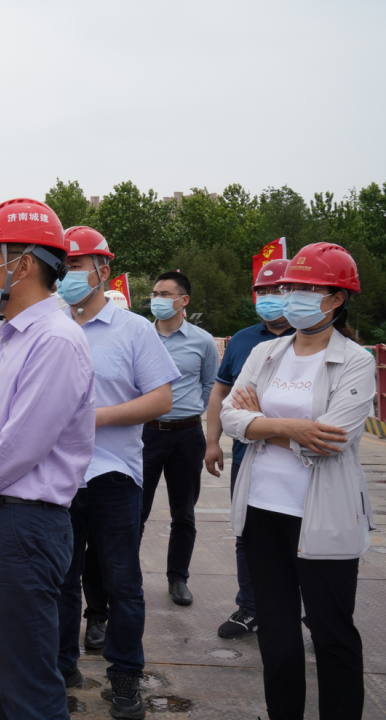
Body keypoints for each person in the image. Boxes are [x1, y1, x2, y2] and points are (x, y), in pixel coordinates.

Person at [0, 198, 95, 720]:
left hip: (27, 525)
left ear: (23, 264)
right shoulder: (13, 339)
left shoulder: (55, 341)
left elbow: (20, 444)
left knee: (26, 681)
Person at [221, 242, 375, 720]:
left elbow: (333, 438)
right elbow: (230, 418)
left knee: (331, 631)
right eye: (291, 287)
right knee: (276, 631)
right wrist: (292, 428)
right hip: (262, 508)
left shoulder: (356, 360)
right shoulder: (266, 352)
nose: (293, 297)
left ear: (336, 299)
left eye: (309, 288)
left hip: (323, 515)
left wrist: (262, 425)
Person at [52, 227, 180, 719]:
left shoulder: (133, 330)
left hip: (114, 476)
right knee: (61, 580)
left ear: (103, 270)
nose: (67, 275)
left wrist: (96, 417)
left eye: (76, 265)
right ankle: (61, 667)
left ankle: (125, 673)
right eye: (62, 266)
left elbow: (161, 399)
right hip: (59, 477)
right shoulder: (49, 325)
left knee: (123, 582)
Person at [204, 258, 295, 639]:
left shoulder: (316, 342)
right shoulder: (244, 341)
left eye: (278, 290)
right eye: (262, 291)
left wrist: (256, 419)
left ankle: (308, 613)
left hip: (304, 462)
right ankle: (250, 608)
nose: (269, 297)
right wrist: (212, 441)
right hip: (248, 458)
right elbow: (222, 395)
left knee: (303, 538)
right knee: (247, 534)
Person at [139, 271, 219, 607]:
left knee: (183, 513)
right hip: (145, 433)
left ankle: (178, 578)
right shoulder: (140, 336)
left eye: (165, 294)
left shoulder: (203, 341)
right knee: (134, 511)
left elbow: (210, 385)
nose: (157, 299)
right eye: (154, 294)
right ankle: (126, 578)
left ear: (183, 300)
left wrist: (192, 411)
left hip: (187, 436)